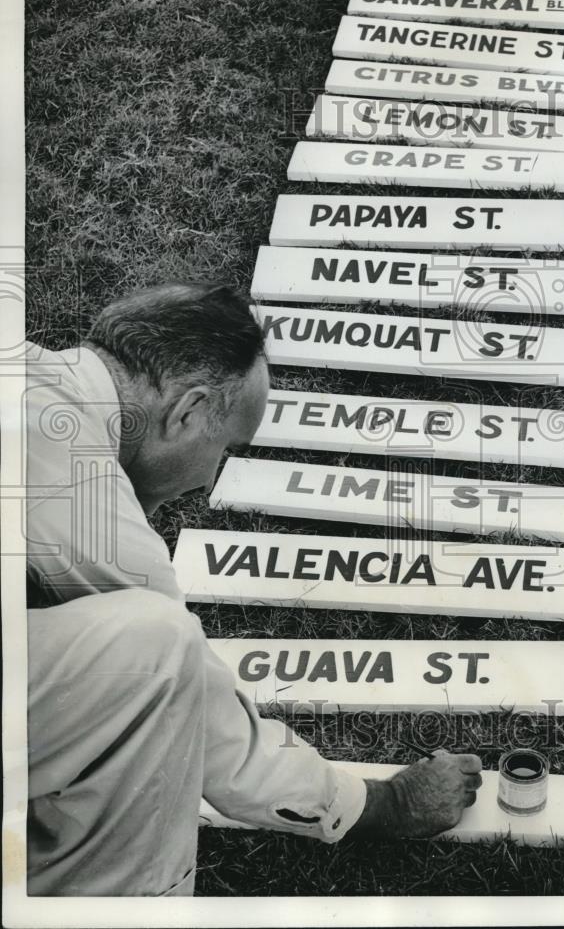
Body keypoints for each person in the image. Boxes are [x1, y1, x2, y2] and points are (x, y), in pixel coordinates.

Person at [25, 283, 482, 897]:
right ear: (186, 412)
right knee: (155, 649)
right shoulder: (79, 493)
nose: (212, 475)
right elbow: (212, 725)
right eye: (226, 446)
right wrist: (385, 804)